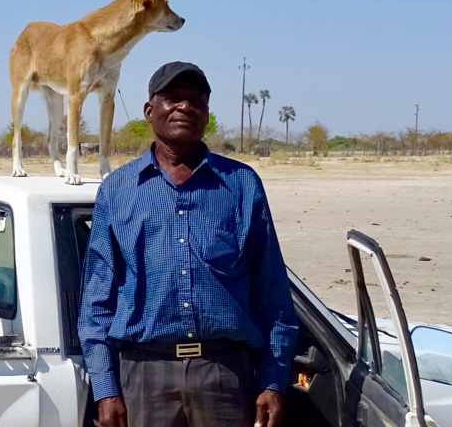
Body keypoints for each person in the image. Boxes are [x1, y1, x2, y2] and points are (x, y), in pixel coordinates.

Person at [78, 61, 300, 427]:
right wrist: (106, 389)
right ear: (150, 111)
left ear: (207, 114)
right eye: (173, 98)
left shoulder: (242, 184)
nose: (185, 107)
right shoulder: (117, 190)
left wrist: (273, 382)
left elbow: (273, 295)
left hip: (225, 375)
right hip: (143, 375)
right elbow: (96, 304)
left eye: (196, 100)